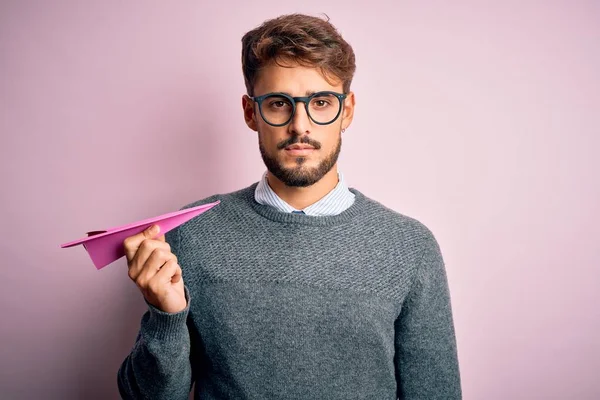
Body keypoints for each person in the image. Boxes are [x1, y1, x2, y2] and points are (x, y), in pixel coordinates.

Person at [117, 13, 461, 400]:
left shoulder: (409, 247)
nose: (301, 125)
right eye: (280, 103)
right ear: (251, 113)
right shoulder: (191, 234)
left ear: (346, 111)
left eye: (321, 102)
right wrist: (166, 318)